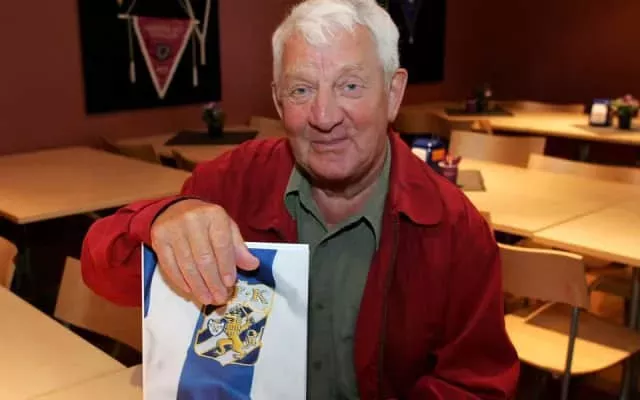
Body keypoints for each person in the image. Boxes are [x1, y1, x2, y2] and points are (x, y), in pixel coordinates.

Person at [81, 0, 519, 398]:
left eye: (350, 86)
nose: (324, 117)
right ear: (277, 101)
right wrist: (162, 218)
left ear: (393, 94)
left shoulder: (455, 230)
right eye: (301, 90)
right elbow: (104, 271)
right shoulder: (232, 184)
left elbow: (475, 386)